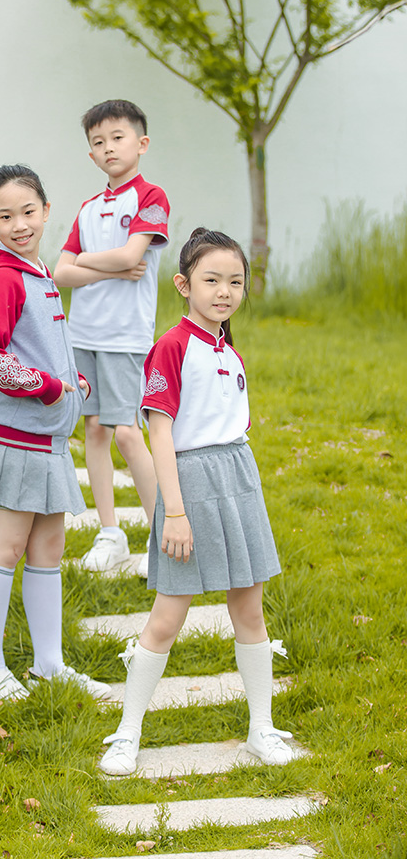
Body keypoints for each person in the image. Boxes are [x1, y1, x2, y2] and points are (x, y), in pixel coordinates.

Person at [98, 228, 294, 775]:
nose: (224, 291)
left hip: (239, 479)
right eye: (211, 280)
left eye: (235, 281)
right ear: (184, 285)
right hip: (189, 486)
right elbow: (160, 433)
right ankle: (126, 733)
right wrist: (175, 512)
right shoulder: (172, 346)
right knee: (167, 616)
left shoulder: (229, 351)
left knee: (249, 608)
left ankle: (261, 729)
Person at [0, 164, 111, 702]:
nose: (20, 224)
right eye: (5, 216)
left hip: (47, 440)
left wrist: (71, 381)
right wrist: (48, 387)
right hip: (16, 436)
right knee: (6, 547)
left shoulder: (36, 269)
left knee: (48, 548)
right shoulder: (3, 275)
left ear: (47, 211)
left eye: (28, 212)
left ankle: (49, 665)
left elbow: (36, 343)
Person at [54, 99, 169, 575]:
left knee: (126, 432)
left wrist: (88, 262)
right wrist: (109, 268)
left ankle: (165, 533)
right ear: (91, 154)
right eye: (98, 142)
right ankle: (110, 533)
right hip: (83, 334)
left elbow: (131, 256)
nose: (108, 148)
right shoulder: (87, 209)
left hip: (126, 337)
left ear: (141, 143)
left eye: (117, 138)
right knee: (95, 431)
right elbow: (60, 273)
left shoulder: (151, 197)